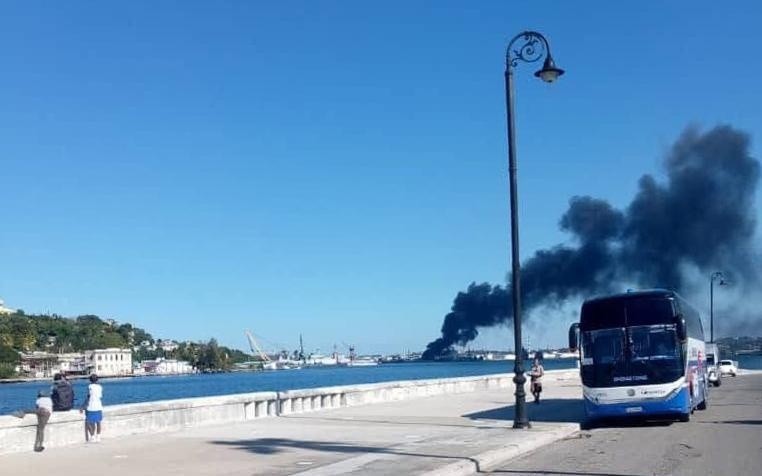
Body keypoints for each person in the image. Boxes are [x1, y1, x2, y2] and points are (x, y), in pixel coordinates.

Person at [80, 374, 103, 442]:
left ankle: (92, 436)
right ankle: (98, 436)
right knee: (98, 422)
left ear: (90, 380)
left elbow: (88, 397)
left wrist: (82, 406)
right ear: (97, 380)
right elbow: (100, 396)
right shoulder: (100, 387)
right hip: (98, 406)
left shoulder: (89, 386)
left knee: (88, 422)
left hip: (91, 406)